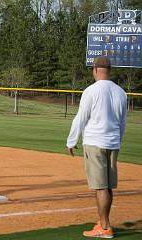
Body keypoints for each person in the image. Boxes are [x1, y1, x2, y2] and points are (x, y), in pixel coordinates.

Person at [66, 56, 127, 238]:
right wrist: (118, 141)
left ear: (95, 69)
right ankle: (102, 222)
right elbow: (123, 123)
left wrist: (71, 141)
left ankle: (105, 227)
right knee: (106, 187)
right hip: (113, 143)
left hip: (95, 142)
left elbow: (81, 118)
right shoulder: (121, 92)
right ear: (109, 70)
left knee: (100, 187)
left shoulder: (91, 91)